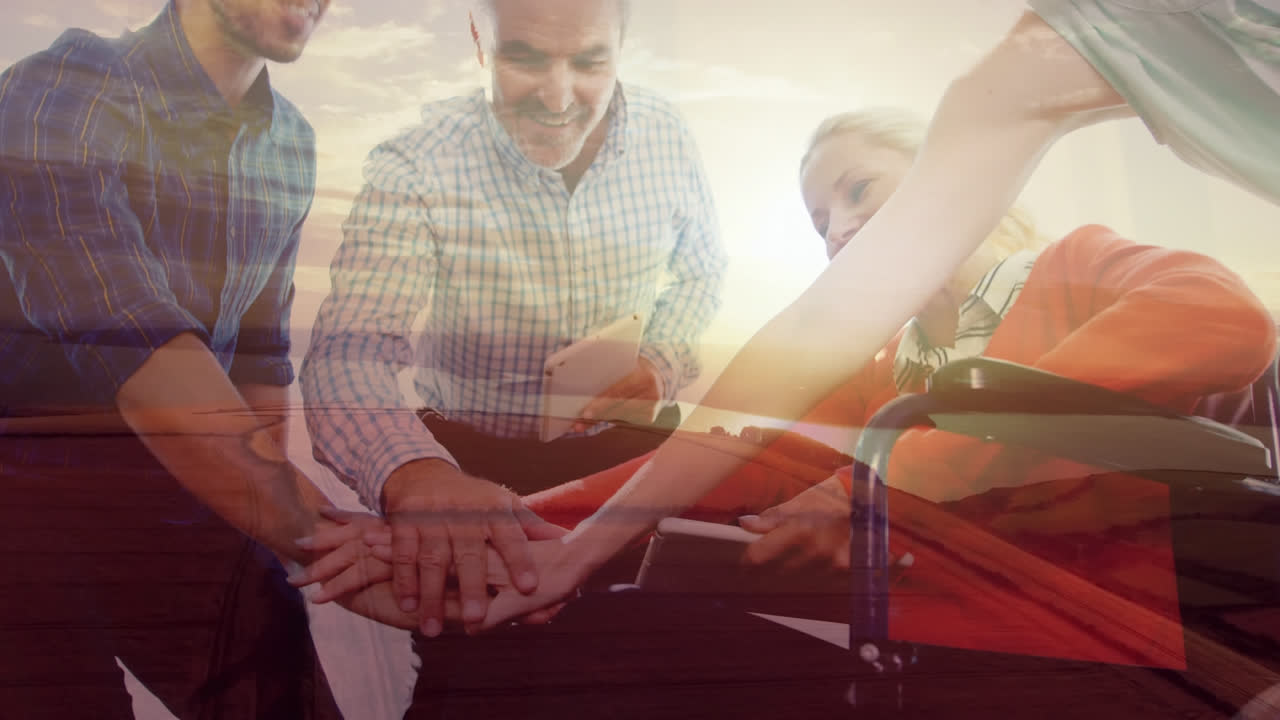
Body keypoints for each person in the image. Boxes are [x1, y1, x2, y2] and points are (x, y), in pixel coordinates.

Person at [451, 1, 1280, 628]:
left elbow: (1224, 319)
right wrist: (515, 531)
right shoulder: (888, 369)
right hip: (955, 622)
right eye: (820, 224)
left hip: (1140, 622)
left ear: (941, 183)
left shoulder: (1082, 266)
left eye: (862, 191)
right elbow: (753, 452)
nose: (840, 227)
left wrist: (891, 480)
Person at [0, 1, 421, 717]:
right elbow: (133, 346)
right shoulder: (64, 82)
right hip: (24, 510)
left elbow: (261, 358)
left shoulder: (290, 140)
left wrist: (282, 542)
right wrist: (320, 535)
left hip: (186, 499)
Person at [299, 0, 727, 638]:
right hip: (468, 465)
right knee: (483, 670)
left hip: (635, 458)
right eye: (523, 58)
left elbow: (703, 271)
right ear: (478, 39)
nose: (558, 98)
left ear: (623, 41)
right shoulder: (417, 163)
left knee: (665, 652)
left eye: (590, 61)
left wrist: (660, 364)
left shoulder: (667, 133)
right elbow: (346, 352)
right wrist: (415, 475)